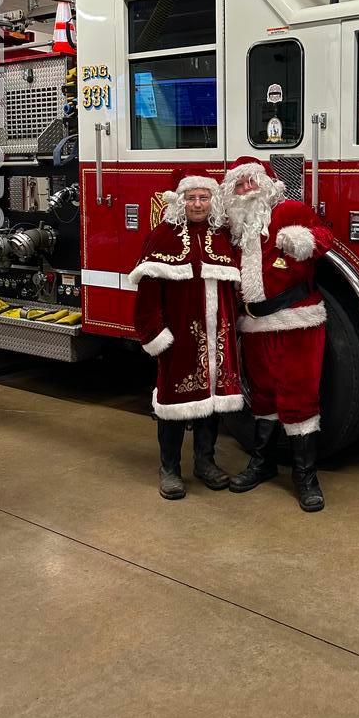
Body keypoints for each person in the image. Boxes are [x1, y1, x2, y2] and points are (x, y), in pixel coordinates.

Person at [218, 156, 332, 512]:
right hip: (253, 326)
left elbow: (326, 239)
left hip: (296, 320)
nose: (247, 189)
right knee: (264, 396)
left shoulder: (290, 210)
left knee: (298, 395)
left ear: (266, 182)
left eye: (252, 181)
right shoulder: (232, 227)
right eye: (239, 184)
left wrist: (302, 240)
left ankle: (305, 477)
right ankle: (263, 463)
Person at [129, 170, 243, 500]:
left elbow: (232, 290)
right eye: (191, 198)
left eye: (203, 197)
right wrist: (155, 335)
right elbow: (147, 297)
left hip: (216, 338)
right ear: (181, 200)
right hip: (179, 339)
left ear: (212, 201)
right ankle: (170, 468)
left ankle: (205, 463)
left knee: (211, 402)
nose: (197, 204)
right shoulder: (162, 236)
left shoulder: (221, 236)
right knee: (173, 404)